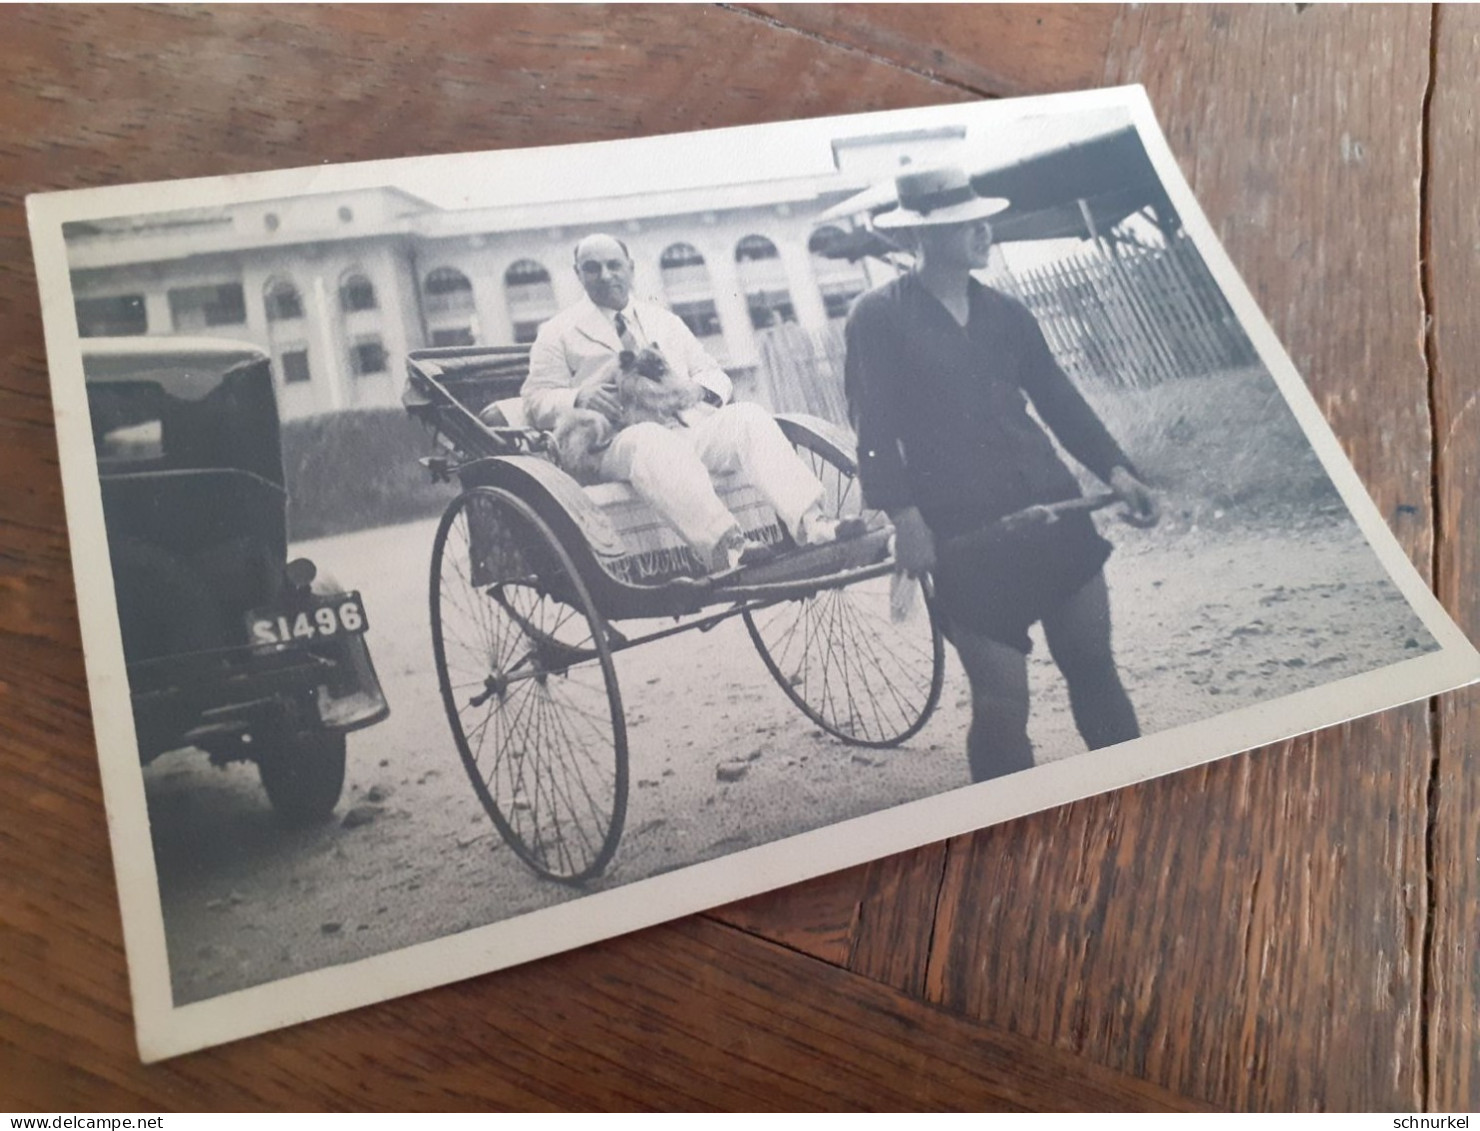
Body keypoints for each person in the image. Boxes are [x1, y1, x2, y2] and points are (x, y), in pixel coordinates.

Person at [843, 167, 1159, 783]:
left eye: (981, 217)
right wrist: (905, 519)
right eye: (963, 223)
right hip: (967, 536)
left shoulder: (1006, 313)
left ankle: (1144, 797)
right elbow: (874, 432)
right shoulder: (876, 317)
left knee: (1094, 663)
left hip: (1051, 511)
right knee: (1001, 705)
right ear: (921, 238)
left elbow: (1059, 400)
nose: (983, 230)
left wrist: (1117, 469)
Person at [523, 233, 858, 572]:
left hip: (685, 427)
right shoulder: (557, 331)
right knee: (651, 440)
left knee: (748, 416)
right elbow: (535, 400)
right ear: (578, 274)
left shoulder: (664, 321)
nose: (606, 275)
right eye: (593, 268)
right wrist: (579, 396)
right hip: (616, 442)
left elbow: (713, 373)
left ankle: (813, 522)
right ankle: (729, 546)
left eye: (614, 265)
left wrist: (697, 391)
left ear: (631, 268)